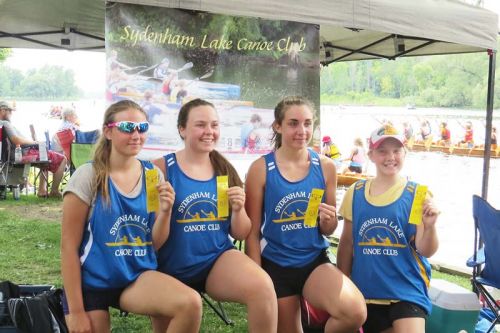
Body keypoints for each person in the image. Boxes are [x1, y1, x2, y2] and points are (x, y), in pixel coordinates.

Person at [61, 100, 202, 333]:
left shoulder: (152, 175)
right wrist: (75, 312)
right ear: (108, 131)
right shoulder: (89, 175)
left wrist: (165, 212)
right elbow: (68, 247)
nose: (136, 134)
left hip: (135, 276)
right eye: (127, 127)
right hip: (92, 282)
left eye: (142, 128)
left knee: (190, 303)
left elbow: (153, 243)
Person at [152, 98, 278, 333]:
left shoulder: (224, 170)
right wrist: (165, 210)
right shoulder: (160, 168)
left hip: (216, 261)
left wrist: (239, 210)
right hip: (169, 268)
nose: (209, 132)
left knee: (263, 287)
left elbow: (239, 232)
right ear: (182, 129)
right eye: (200, 125)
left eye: (214, 125)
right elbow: (151, 238)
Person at [245, 96, 366, 333]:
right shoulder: (261, 169)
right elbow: (251, 231)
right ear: (278, 126)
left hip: (313, 260)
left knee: (355, 313)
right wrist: (257, 278)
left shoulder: (325, 167)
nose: (302, 130)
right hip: (276, 264)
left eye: (308, 123)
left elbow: (327, 229)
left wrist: (329, 223)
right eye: (293, 123)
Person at [337, 124, 440, 333]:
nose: (390, 157)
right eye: (382, 151)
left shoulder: (417, 194)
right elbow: (346, 242)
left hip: (406, 291)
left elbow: (425, 250)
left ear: (405, 153)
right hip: (365, 291)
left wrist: (429, 228)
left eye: (396, 150)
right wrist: (344, 280)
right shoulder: (355, 192)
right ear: (371, 155)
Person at [0, 100, 67, 198]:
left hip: (14, 154)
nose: (11, 114)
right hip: (22, 153)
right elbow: (16, 140)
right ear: (3, 111)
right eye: (10, 111)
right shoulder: (5, 123)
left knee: (44, 155)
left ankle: (42, 190)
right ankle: (54, 191)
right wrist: (35, 142)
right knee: (62, 159)